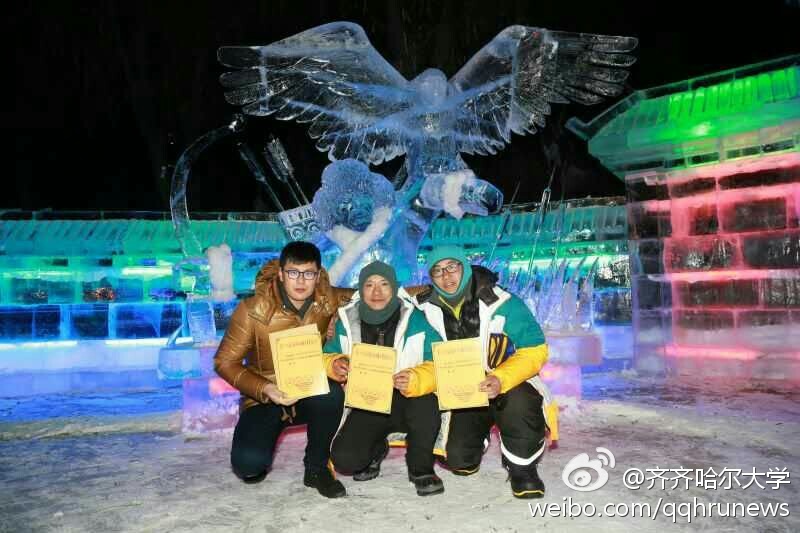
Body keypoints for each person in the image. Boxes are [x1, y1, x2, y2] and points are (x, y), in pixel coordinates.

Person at [412, 245, 558, 499]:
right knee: (458, 460)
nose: (446, 276)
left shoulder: (503, 302)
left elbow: (535, 349)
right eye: (437, 271)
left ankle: (523, 470)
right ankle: (477, 439)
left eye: (452, 267)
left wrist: (500, 378)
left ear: (465, 267)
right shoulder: (422, 308)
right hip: (463, 392)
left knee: (519, 403)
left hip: (507, 385)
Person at [213, 241, 353, 498]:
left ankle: (316, 468)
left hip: (309, 391)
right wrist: (266, 388)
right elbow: (224, 362)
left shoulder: (328, 299)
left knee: (332, 393)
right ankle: (258, 454)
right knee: (249, 465)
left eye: (308, 273)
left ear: (318, 275)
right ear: (280, 273)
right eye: (293, 272)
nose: (300, 281)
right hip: (265, 398)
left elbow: (375, 293)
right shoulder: (252, 309)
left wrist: (426, 290)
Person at [326, 261, 445, 496]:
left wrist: (416, 378)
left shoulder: (416, 318)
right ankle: (376, 450)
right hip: (368, 401)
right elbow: (327, 355)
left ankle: (421, 469)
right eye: (369, 285)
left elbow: (439, 361)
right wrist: (334, 364)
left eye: (384, 284)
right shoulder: (346, 321)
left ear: (394, 288)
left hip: (408, 398)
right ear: (361, 289)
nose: (377, 292)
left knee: (426, 403)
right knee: (346, 460)